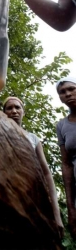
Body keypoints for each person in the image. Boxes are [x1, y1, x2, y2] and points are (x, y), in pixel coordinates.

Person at [3, 96, 64, 237]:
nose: (14, 111)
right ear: (4, 112)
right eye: (9, 108)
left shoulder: (33, 138)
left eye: (17, 107)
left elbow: (46, 174)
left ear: (23, 112)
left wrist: (56, 215)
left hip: (32, 198)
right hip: (6, 196)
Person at [56, 76, 76, 239]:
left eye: (71, 89)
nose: (68, 94)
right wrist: (71, 207)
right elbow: (67, 165)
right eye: (62, 92)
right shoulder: (62, 126)